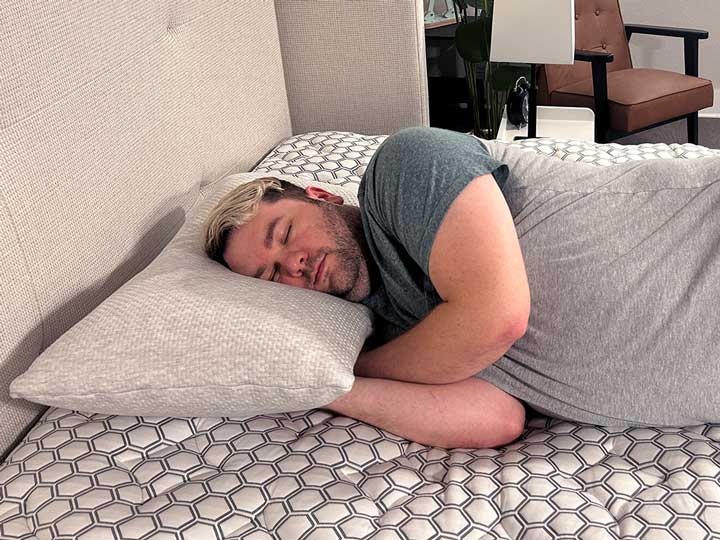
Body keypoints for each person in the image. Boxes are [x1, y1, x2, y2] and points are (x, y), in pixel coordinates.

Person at [203, 127, 720, 449]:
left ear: (320, 195)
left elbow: (496, 316)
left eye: (284, 234)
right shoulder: (398, 340)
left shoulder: (404, 167)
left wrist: (360, 368)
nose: (292, 265)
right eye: (270, 276)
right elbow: (494, 420)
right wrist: (328, 383)